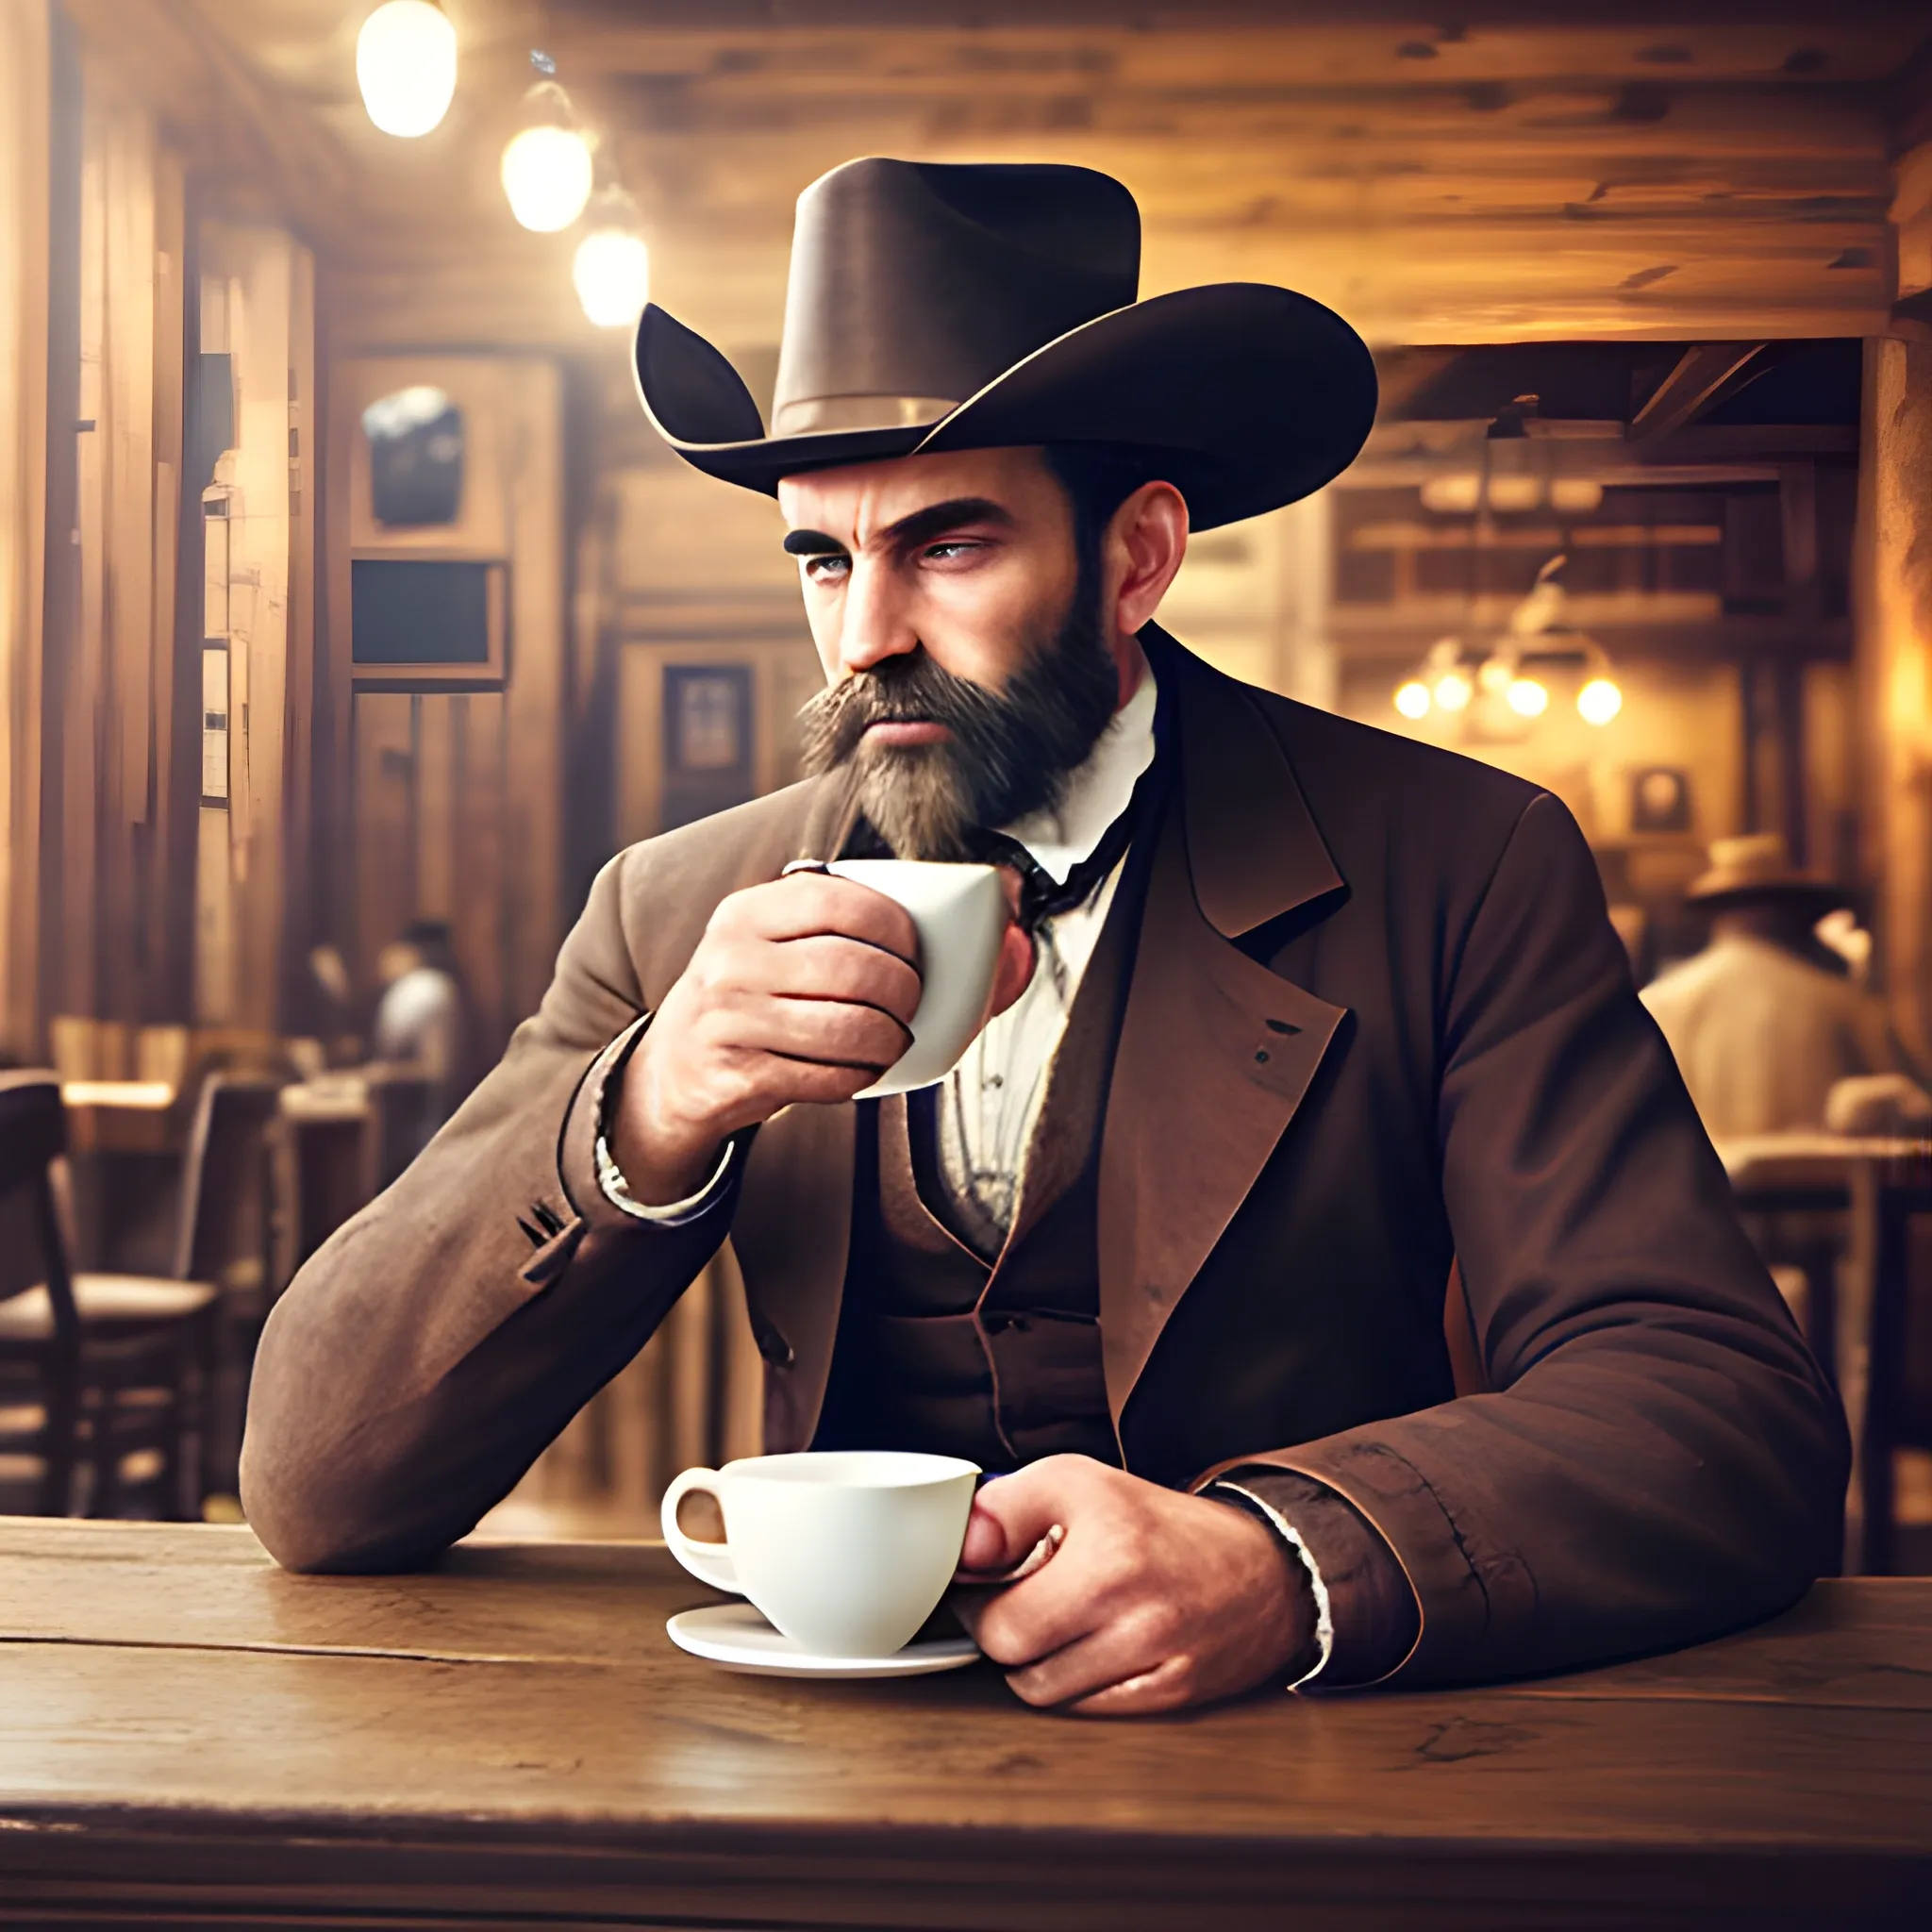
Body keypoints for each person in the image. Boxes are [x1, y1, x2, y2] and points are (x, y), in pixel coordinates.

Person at [242, 158, 1846, 1714]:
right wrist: (647, 1103)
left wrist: (1286, 1559)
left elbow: (1719, 1410)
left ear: (1134, 554)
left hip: (1307, 1764)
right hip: (817, 1769)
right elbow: (316, 1485)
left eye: (945, 546)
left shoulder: (1456, 860)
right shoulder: (671, 909)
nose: (865, 634)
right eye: (821, 556)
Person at [1641, 834, 1918, 1140]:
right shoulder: (1843, 1003)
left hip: (1701, 1185)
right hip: (1823, 1186)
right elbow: (1906, 1114)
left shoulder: (1657, 1005)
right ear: (1790, 906)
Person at [370, 918, 473, 1144]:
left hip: (421, 1119)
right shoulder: (433, 987)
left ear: (411, 952)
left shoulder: (426, 989)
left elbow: (436, 1070)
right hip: (417, 1114)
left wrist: (380, 1075)